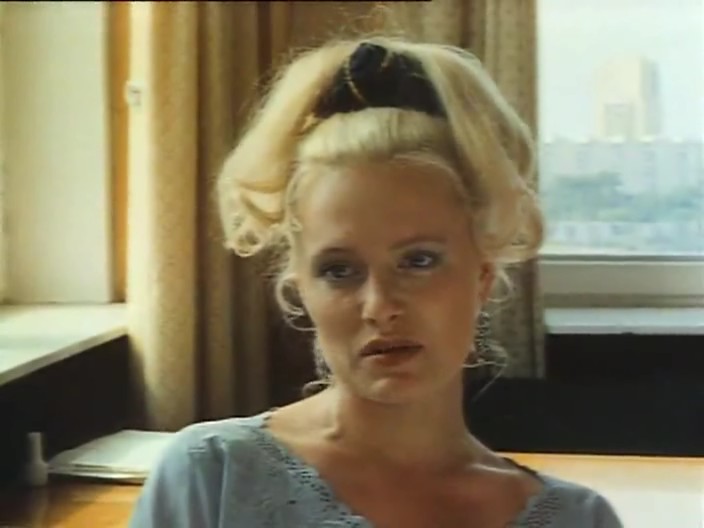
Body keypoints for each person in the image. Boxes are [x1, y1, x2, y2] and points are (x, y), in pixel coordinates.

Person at [129, 36, 623, 528]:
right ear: (300, 288)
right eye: (339, 270)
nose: (379, 306)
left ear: (482, 278)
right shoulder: (213, 475)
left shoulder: (578, 520)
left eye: (419, 261)